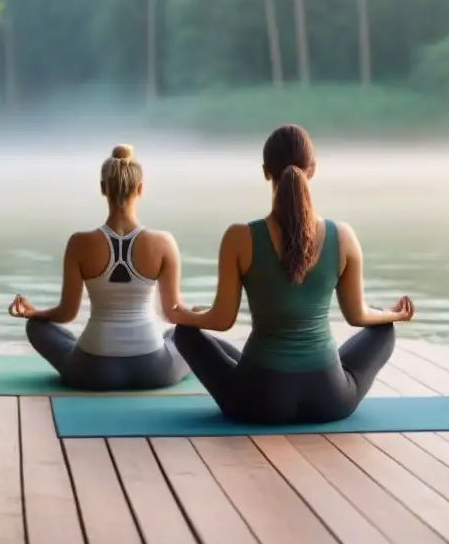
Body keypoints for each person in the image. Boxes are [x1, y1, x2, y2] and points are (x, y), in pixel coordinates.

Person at [167, 124, 415, 425]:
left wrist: (187, 316)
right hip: (330, 399)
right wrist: (393, 315)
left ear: (264, 171)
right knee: (383, 327)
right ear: (313, 169)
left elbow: (221, 320)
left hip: (257, 402)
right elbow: (357, 316)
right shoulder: (343, 236)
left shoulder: (239, 237)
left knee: (184, 334)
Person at [8, 144, 190, 391]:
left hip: (91, 370)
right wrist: (199, 316)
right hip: (152, 369)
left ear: (103, 189)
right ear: (141, 189)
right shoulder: (163, 242)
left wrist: (33, 313)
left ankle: (79, 348)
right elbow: (173, 314)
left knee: (37, 327)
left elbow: (67, 313)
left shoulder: (79, 243)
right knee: (181, 335)